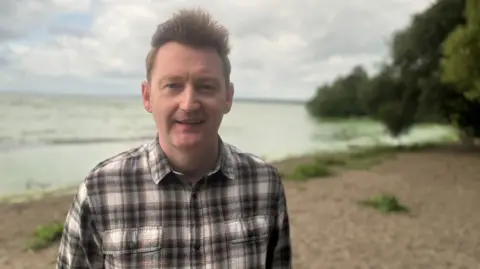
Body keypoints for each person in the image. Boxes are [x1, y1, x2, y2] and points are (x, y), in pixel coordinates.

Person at [56, 7, 292, 269]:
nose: (189, 103)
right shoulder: (100, 190)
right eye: (173, 85)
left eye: (206, 86)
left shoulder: (264, 184)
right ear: (147, 97)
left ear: (228, 97)